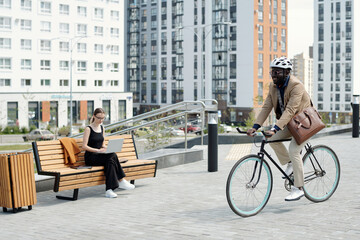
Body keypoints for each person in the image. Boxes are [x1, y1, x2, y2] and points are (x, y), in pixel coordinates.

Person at [247, 57, 311, 201]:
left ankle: (298, 188)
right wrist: (255, 127)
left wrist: (275, 128)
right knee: (271, 138)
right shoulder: (273, 87)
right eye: (272, 72)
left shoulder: (297, 86)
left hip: (306, 124)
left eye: (277, 72)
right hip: (290, 123)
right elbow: (266, 107)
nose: (274, 75)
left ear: (287, 72)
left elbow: (290, 110)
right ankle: (289, 163)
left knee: (294, 150)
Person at [83, 108, 135, 198]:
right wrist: (97, 150)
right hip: (91, 157)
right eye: (99, 118)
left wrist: (106, 148)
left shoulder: (102, 128)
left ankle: (109, 190)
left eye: (103, 118)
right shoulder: (88, 129)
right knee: (112, 156)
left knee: (110, 161)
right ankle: (121, 180)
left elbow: (102, 144)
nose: (101, 120)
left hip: (100, 156)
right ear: (94, 116)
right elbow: (84, 146)